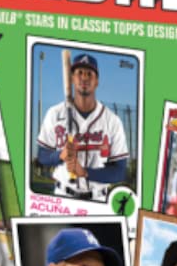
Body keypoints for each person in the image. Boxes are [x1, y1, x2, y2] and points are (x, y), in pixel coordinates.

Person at [36, 53, 129, 202]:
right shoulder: (55, 114)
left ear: (97, 81)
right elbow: (42, 156)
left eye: (89, 74)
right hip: (63, 196)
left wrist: (85, 172)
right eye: (79, 73)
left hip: (98, 199)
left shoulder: (112, 121)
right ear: (72, 78)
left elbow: (120, 171)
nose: (84, 78)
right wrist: (59, 155)